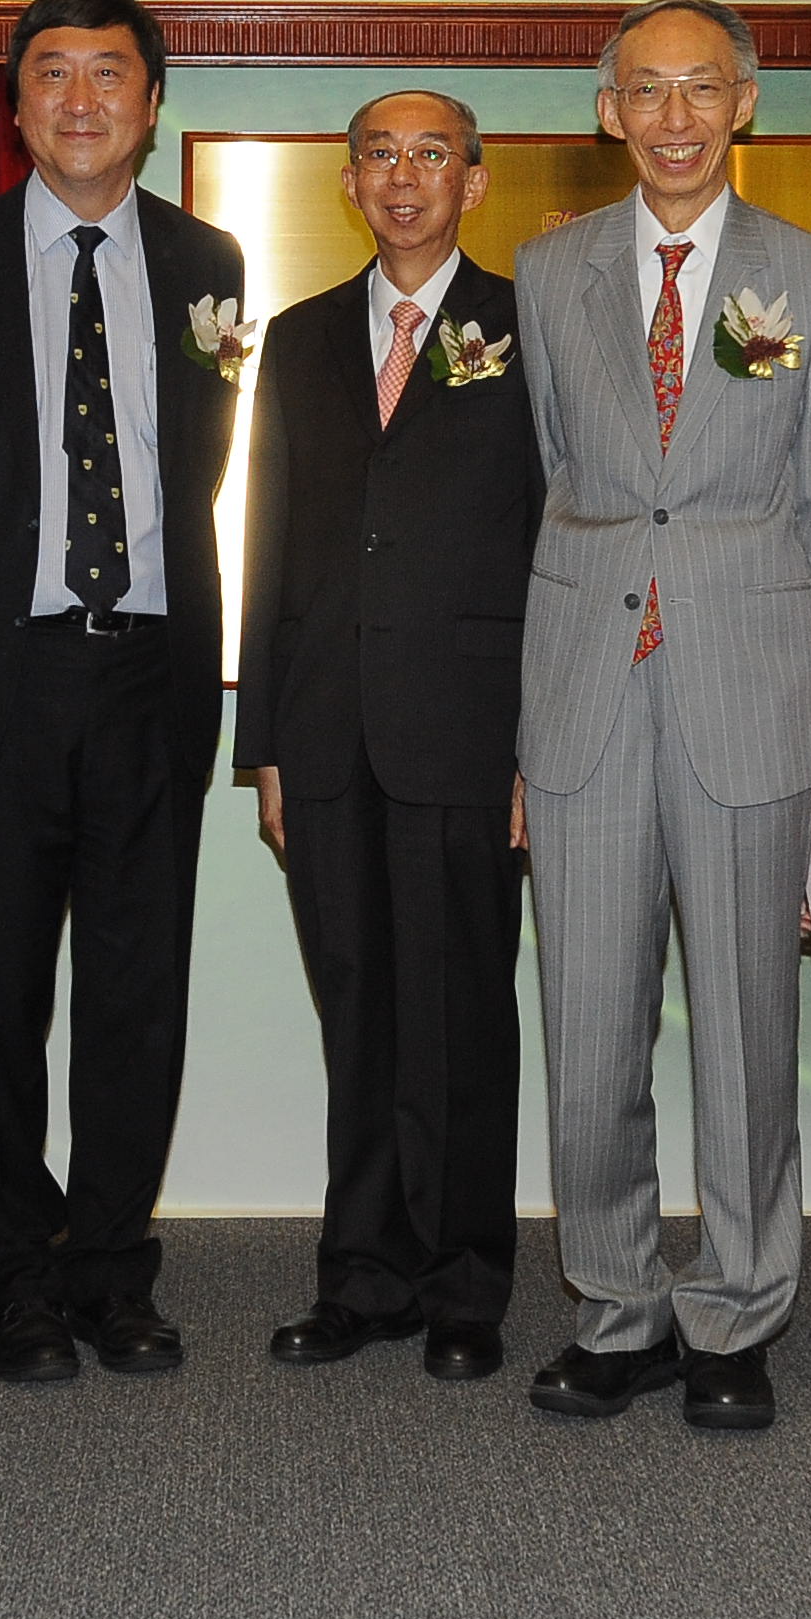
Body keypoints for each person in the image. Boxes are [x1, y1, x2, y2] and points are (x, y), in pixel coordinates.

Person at [0, 0, 244, 1383]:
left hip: (151, 679)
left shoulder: (210, 262)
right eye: (52, 74)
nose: (82, 98)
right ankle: (16, 1275)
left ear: (153, 102)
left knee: (140, 993)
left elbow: (196, 470)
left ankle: (112, 1269)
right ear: (13, 103)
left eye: (110, 73)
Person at [515, 0, 811, 1432]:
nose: (671, 118)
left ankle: (735, 1312)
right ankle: (614, 1301)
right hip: (587, 688)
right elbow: (561, 471)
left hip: (748, 687)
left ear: (745, 104)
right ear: (608, 110)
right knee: (589, 1026)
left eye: (698, 90)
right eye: (644, 92)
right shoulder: (547, 268)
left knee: (743, 1026)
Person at [231, 90, 542, 1383]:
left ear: (474, 182)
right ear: (348, 183)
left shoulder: (535, 332)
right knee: (357, 1014)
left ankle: (466, 1287)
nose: (403, 176)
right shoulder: (299, 340)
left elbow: (559, 549)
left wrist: (541, 743)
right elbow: (270, 538)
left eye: (431, 155)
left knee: (462, 1018)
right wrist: (266, 745)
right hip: (329, 733)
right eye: (379, 155)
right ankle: (360, 1277)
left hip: (476, 735)